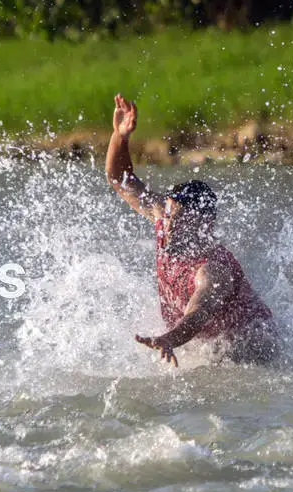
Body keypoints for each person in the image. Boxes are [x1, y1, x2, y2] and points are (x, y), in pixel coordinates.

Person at [105, 94, 280, 367]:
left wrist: (169, 339)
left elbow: (197, 314)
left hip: (253, 347)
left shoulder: (212, 270)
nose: (168, 226)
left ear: (204, 224)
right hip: (203, 342)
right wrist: (120, 136)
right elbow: (119, 179)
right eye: (168, 215)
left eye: (179, 220)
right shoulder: (164, 216)